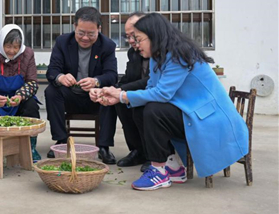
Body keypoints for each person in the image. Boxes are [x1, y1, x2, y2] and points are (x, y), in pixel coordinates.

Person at [99, 13, 249, 191]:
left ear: (154, 35)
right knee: (140, 108)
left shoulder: (180, 54)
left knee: (154, 110)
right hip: (191, 113)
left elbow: (162, 94)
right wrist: (118, 95)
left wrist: (122, 96)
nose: (136, 45)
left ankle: (159, 171)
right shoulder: (159, 56)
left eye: (139, 39)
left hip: (210, 119)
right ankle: (173, 166)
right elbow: (151, 87)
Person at [45, 6, 118, 163]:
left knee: (110, 95)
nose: (85, 38)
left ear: (99, 29)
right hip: (70, 96)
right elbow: (52, 71)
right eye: (81, 33)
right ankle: (61, 141)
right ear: (74, 27)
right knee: (51, 91)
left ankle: (104, 146)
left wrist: (96, 81)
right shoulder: (63, 42)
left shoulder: (107, 46)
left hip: (95, 98)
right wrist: (61, 77)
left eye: (91, 34)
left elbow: (112, 75)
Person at [90, 12, 150, 171]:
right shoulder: (134, 52)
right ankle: (138, 150)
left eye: (134, 36)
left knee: (132, 103)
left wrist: (119, 92)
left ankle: (153, 154)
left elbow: (151, 81)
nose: (131, 41)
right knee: (120, 103)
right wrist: (109, 90)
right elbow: (129, 78)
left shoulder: (161, 52)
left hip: (157, 96)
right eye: (127, 36)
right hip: (140, 93)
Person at [0, 24, 41, 161]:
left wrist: (21, 95)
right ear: (1, 43)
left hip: (18, 99)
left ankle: (30, 148)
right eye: (8, 46)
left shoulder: (27, 54)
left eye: (16, 47)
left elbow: (32, 82)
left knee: (31, 108)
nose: (12, 51)